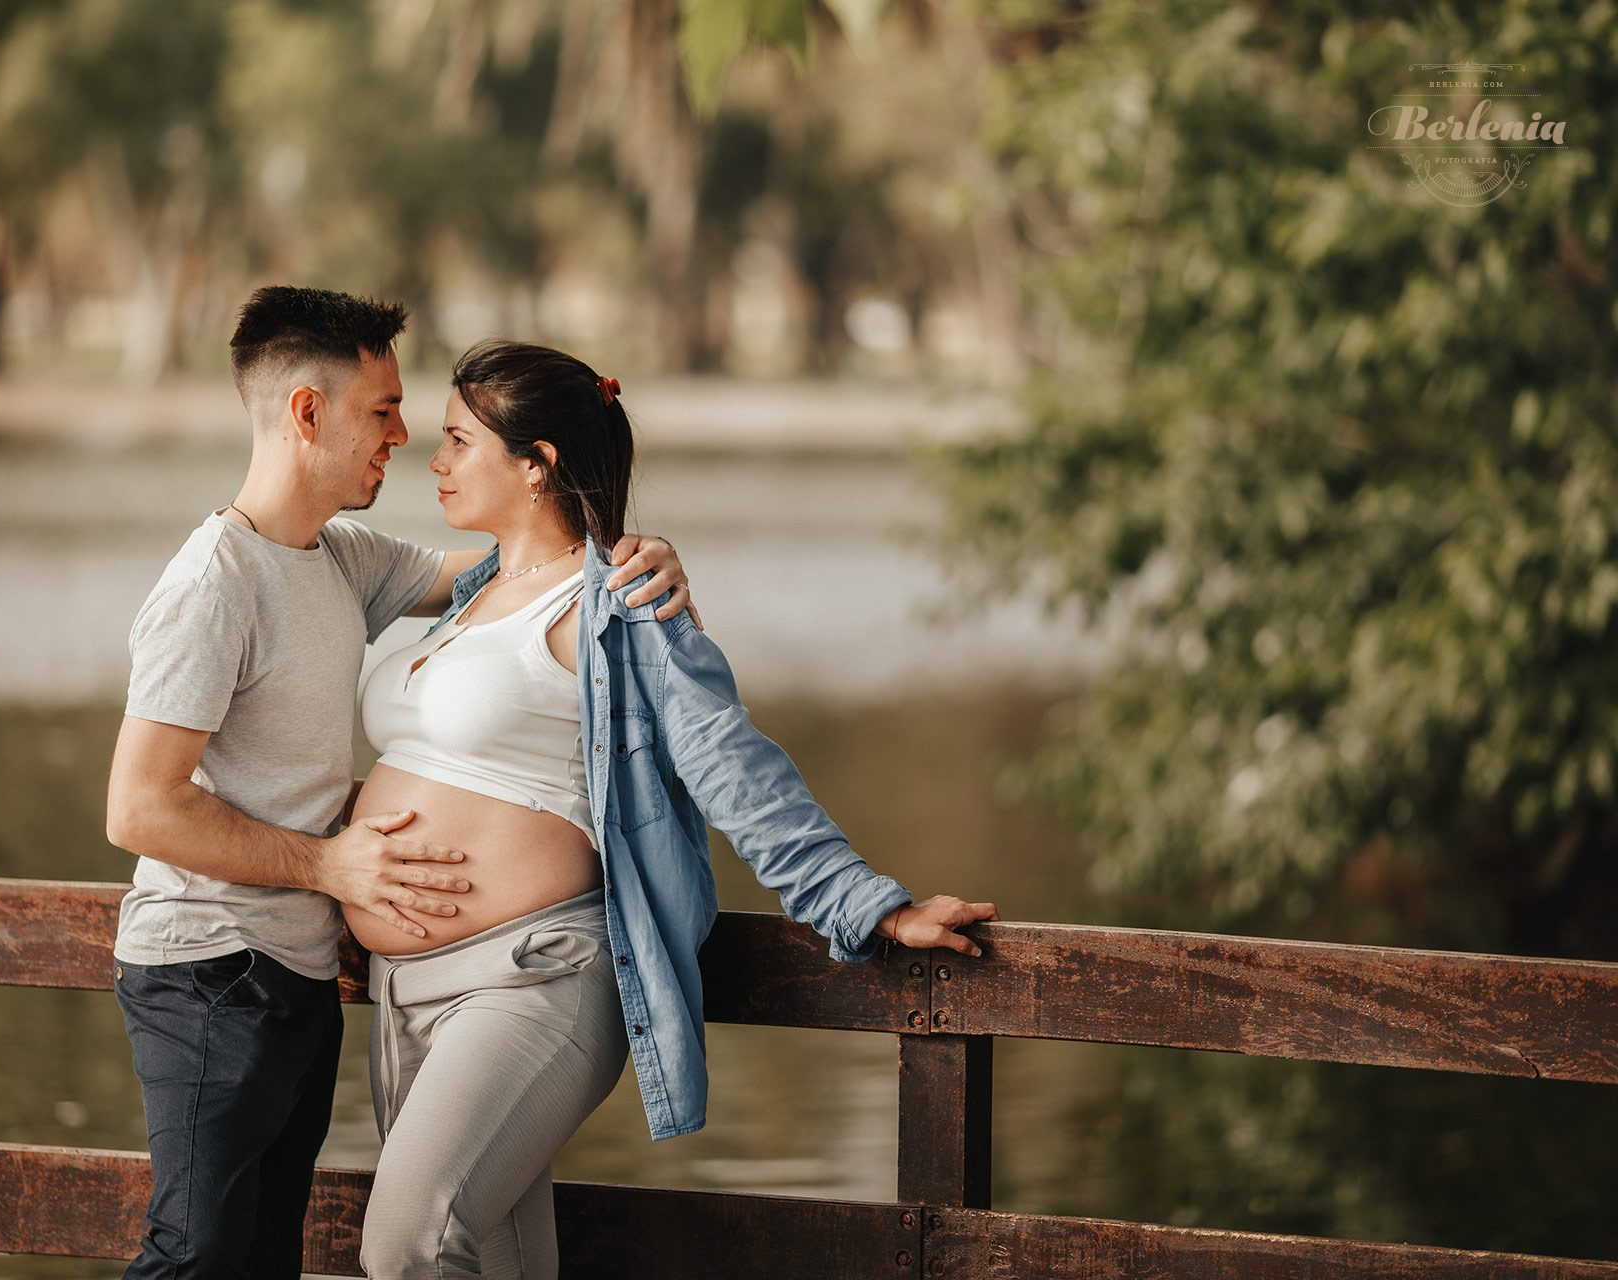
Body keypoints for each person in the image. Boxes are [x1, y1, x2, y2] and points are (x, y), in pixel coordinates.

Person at [351, 339, 999, 1280]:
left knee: (406, 1245)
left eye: (458, 441)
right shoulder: (471, 595)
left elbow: (733, 766)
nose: (437, 461)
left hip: (530, 983)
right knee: (495, 1262)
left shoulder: (624, 606)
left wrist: (874, 906)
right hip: (402, 995)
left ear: (537, 465)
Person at [102, 287, 694, 1280]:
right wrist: (331, 862)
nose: (405, 434)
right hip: (209, 968)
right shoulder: (214, 581)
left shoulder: (342, 558)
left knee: (255, 1260)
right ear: (306, 412)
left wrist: (634, 559)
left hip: (298, 976)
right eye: (382, 410)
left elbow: (521, 563)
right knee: (195, 1255)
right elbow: (139, 806)